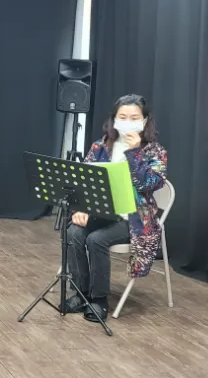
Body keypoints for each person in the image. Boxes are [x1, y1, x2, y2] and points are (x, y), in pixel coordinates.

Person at [64, 94, 168, 321]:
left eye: (134, 118)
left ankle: (99, 299)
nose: (128, 122)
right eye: (123, 117)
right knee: (73, 231)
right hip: (101, 210)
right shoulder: (100, 146)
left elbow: (150, 184)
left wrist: (134, 153)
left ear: (145, 120)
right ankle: (81, 293)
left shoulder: (155, 151)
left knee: (96, 239)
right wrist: (80, 208)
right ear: (114, 119)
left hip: (134, 219)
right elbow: (83, 181)